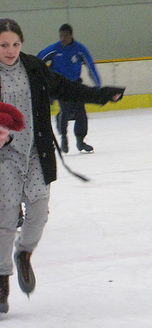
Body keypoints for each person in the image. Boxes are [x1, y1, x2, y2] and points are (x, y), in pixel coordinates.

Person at [0, 18, 124, 315]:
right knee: (4, 221)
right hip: (4, 157)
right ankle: (2, 279)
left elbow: (66, 89)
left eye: (15, 44)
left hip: (34, 152)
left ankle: (24, 253)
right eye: (4, 44)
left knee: (39, 212)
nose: (10, 50)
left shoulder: (32, 67)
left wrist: (102, 94)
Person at [37, 24, 102, 153]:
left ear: (71, 35)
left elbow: (91, 66)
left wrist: (98, 86)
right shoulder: (54, 49)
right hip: (59, 86)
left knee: (80, 112)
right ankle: (64, 137)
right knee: (65, 111)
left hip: (75, 84)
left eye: (65, 36)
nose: (62, 39)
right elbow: (38, 61)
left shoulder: (79, 49)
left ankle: (80, 140)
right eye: (60, 36)